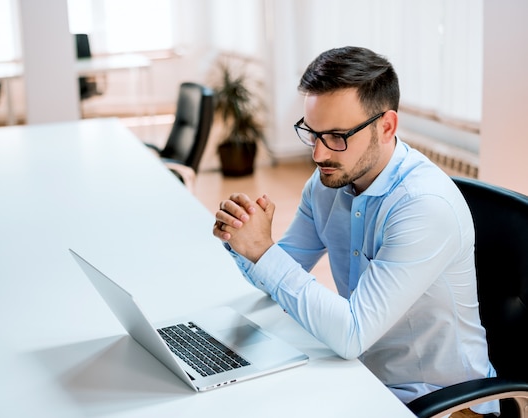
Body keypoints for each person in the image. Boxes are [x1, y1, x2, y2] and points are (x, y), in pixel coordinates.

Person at [213, 46, 497, 417]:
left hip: (441, 404)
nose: (318, 154)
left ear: (387, 127)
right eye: (311, 133)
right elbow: (278, 275)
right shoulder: (327, 184)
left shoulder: (424, 207)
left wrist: (264, 254)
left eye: (335, 136)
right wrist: (244, 242)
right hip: (361, 376)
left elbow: (352, 334)